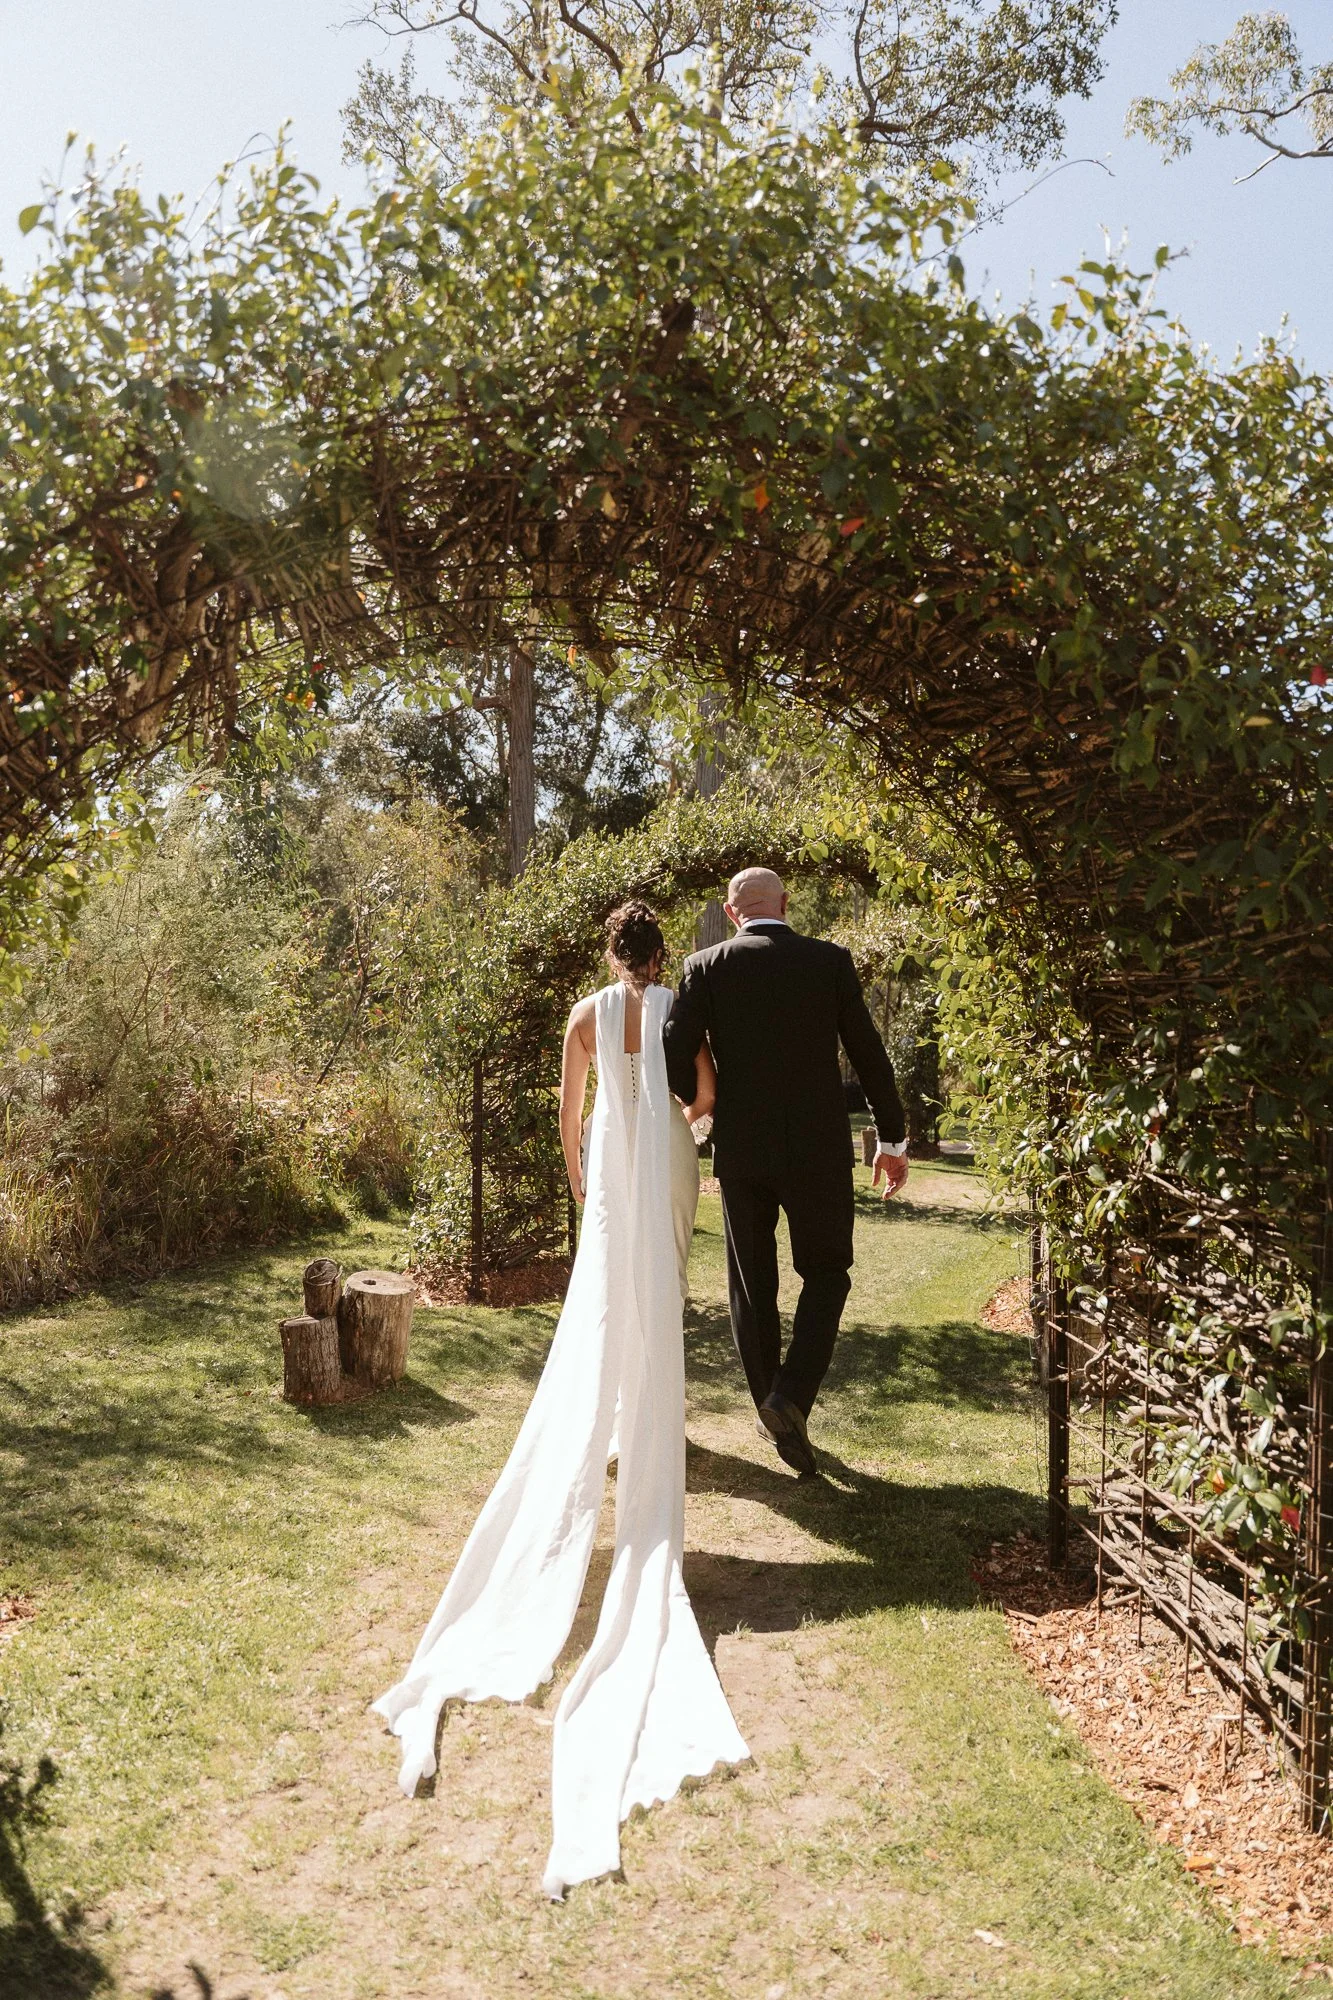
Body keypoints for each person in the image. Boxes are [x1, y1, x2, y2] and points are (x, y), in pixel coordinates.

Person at [372, 901, 747, 1900]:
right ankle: (644, 1432)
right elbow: (703, 1092)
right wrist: (687, 1131)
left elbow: (568, 1111)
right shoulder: (679, 1007)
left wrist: (585, 1178)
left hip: (620, 1175)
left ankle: (612, 1431)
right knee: (659, 1299)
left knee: (608, 1302)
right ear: (662, 952)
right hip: (666, 1162)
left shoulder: (584, 1012)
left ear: (604, 953)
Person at [663, 867, 909, 1478]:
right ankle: (789, 1398)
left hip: (742, 1152)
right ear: (786, 904)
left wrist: (698, 1103)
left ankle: (775, 1406)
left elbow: (674, 1048)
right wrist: (893, 1137)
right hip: (817, 1151)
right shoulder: (828, 962)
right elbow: (868, 1052)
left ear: (729, 911)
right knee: (827, 1273)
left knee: (752, 1286)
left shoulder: (707, 967)